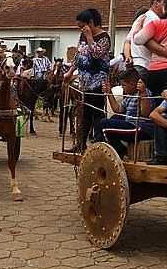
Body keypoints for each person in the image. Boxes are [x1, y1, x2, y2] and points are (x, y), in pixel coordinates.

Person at [63, 8, 111, 151]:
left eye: (82, 26)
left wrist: (90, 37)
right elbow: (79, 55)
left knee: (96, 114)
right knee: (84, 114)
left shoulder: (104, 37)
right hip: (84, 82)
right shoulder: (82, 36)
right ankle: (80, 144)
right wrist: (71, 71)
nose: (81, 30)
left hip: (98, 81)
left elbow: (97, 54)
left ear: (90, 23)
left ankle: (98, 144)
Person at [96, 69, 154, 157]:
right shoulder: (129, 95)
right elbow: (118, 109)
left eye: (123, 85)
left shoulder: (144, 93)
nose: (122, 87)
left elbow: (145, 113)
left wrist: (143, 94)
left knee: (103, 124)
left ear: (131, 84)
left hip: (141, 128)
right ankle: (118, 150)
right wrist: (109, 92)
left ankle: (119, 152)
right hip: (131, 124)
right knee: (114, 118)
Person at [123, 0, 166, 81]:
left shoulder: (140, 18)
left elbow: (127, 41)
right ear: (156, 3)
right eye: (164, 3)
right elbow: (153, 43)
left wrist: (128, 57)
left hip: (135, 64)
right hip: (145, 64)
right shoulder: (154, 19)